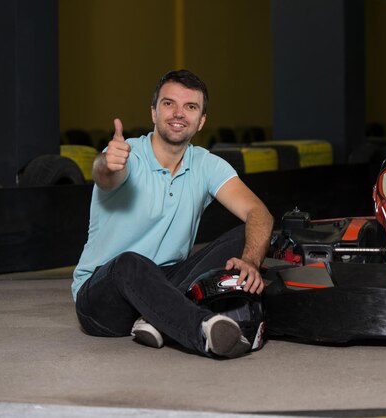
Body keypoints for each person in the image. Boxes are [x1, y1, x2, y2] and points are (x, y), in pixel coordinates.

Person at [72, 69, 273, 358]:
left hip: (168, 284)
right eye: (169, 104)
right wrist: (106, 163)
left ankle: (158, 319)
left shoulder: (206, 164)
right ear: (154, 112)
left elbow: (259, 213)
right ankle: (203, 330)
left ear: (201, 121)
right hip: (104, 296)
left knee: (248, 234)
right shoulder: (128, 154)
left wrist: (251, 261)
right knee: (128, 262)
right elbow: (106, 175)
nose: (179, 113)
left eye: (190, 107)